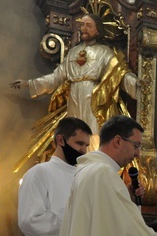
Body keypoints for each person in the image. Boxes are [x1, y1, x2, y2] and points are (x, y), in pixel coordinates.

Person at [11, 13, 137, 150]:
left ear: (98, 30)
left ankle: (93, 166)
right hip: (74, 98)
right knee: (74, 134)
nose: (84, 28)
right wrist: (29, 83)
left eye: (89, 25)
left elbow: (119, 74)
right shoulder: (73, 53)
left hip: (94, 99)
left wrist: (134, 84)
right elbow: (56, 77)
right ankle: (74, 166)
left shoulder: (105, 52)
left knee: (93, 133)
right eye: (82, 25)